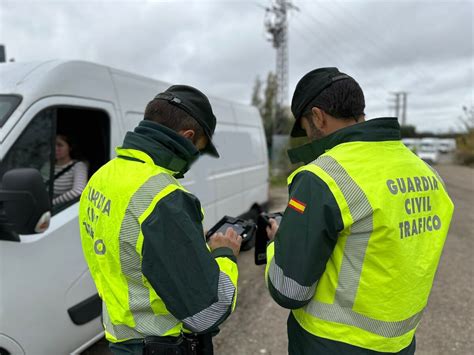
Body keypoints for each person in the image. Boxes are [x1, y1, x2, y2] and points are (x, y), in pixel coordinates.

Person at [264, 68, 454, 354]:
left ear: (318, 117)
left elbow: (288, 290)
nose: (308, 138)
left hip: (330, 343)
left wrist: (276, 243)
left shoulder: (322, 177)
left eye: (305, 128)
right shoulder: (426, 173)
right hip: (400, 343)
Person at [79, 85, 242, 355]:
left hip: (121, 340)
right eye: (199, 150)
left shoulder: (103, 176)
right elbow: (209, 312)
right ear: (188, 137)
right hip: (163, 345)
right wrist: (225, 253)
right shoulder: (163, 198)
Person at [52, 134, 88, 206]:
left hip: (60, 210)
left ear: (70, 148)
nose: (56, 148)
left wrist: (52, 203)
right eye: (53, 144)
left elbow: (78, 191)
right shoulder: (47, 165)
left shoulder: (78, 166)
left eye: (60, 145)